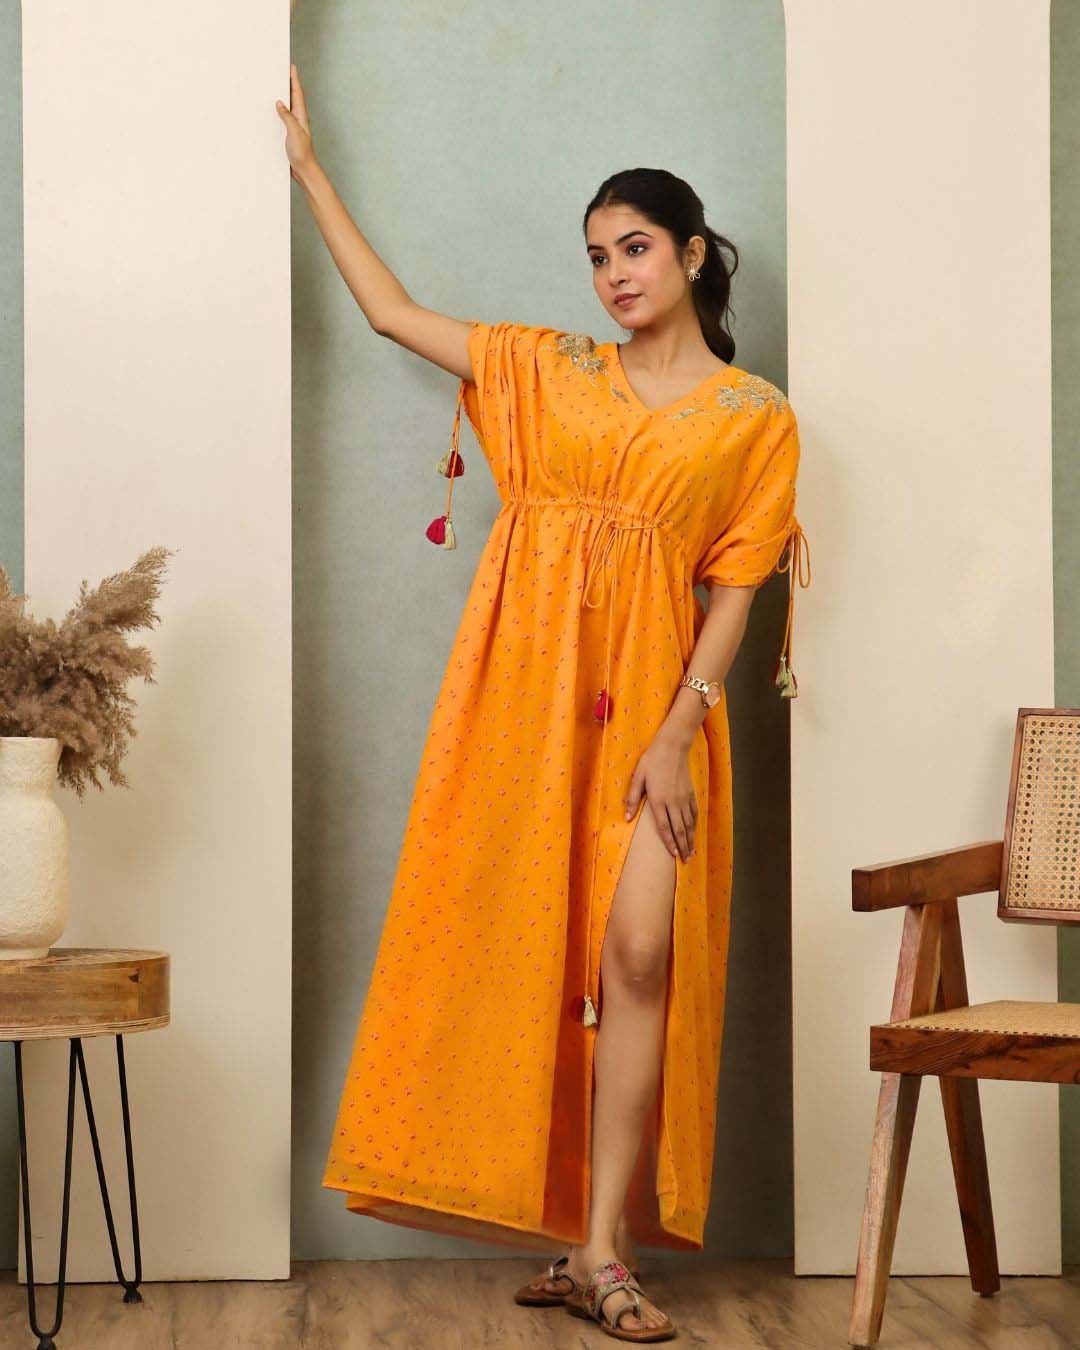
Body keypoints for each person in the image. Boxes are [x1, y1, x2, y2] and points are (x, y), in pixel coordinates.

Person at [278, 64, 810, 1344]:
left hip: (658, 719)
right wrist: (309, 172)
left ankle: (602, 1245)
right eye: (596, 257)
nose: (614, 274)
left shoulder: (757, 421)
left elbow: (735, 595)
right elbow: (392, 314)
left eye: (636, 247)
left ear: (692, 253)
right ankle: (591, 1258)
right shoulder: (547, 368)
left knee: (641, 952)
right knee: (519, 942)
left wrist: (680, 731)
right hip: (526, 699)